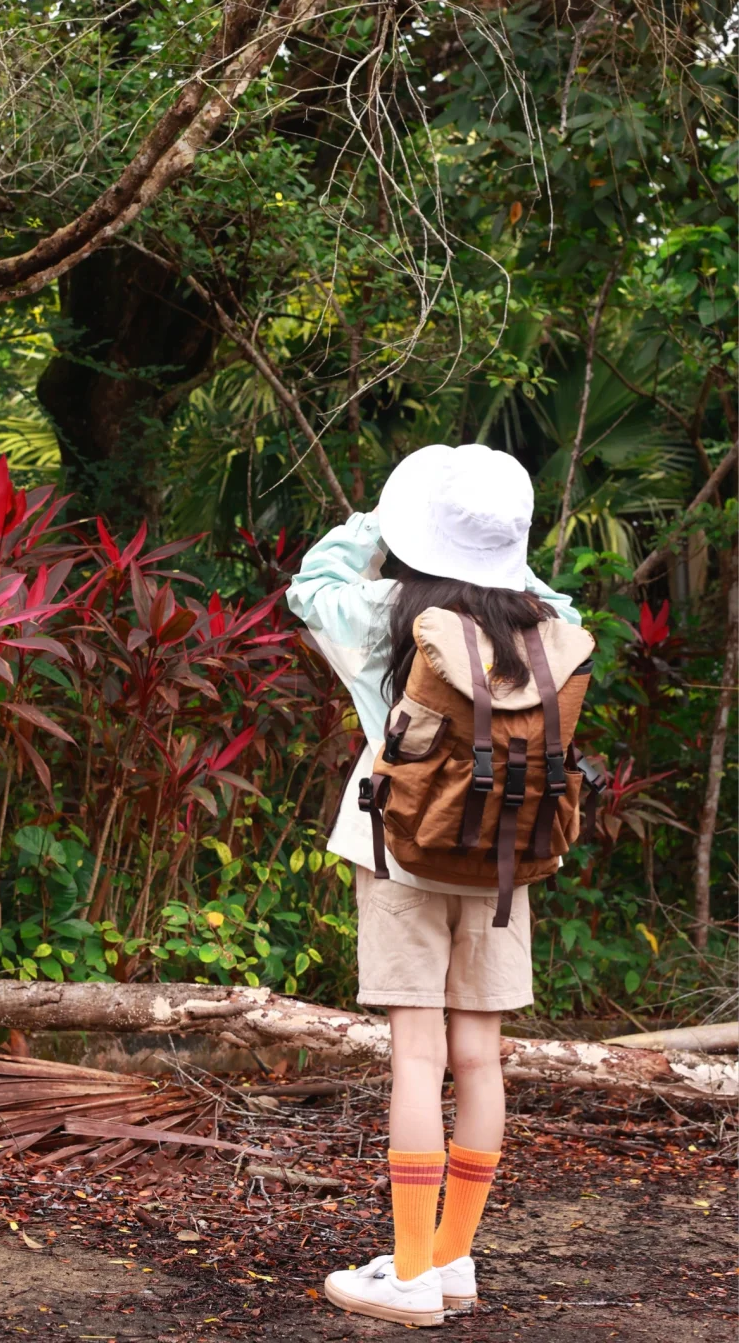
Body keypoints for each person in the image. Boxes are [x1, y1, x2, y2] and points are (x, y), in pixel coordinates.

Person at [286, 444, 581, 1328]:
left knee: (418, 1056)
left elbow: (311, 583)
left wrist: (380, 522)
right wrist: (497, 556)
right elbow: (547, 592)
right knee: (481, 1058)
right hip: (504, 858)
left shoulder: (382, 613)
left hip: (400, 847)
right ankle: (452, 1261)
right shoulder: (544, 626)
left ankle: (409, 1272)